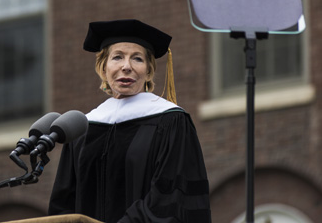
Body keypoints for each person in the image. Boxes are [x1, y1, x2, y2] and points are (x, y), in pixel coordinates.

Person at [48, 19, 211, 223]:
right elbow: (63, 205)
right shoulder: (83, 127)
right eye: (117, 57)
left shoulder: (171, 121)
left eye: (137, 59)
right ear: (103, 68)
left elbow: (171, 197)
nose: (127, 67)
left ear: (149, 70)